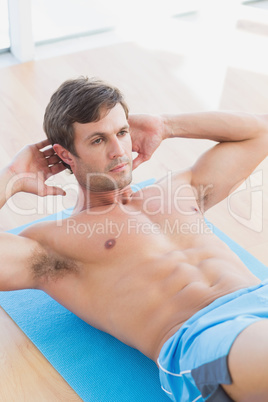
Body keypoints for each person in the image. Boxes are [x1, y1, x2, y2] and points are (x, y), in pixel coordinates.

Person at [0, 76, 267, 402]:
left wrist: (166, 125)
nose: (118, 151)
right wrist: (12, 178)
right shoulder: (54, 244)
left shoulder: (180, 189)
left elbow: (261, 131)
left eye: (122, 133)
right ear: (65, 154)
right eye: (98, 140)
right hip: (204, 341)